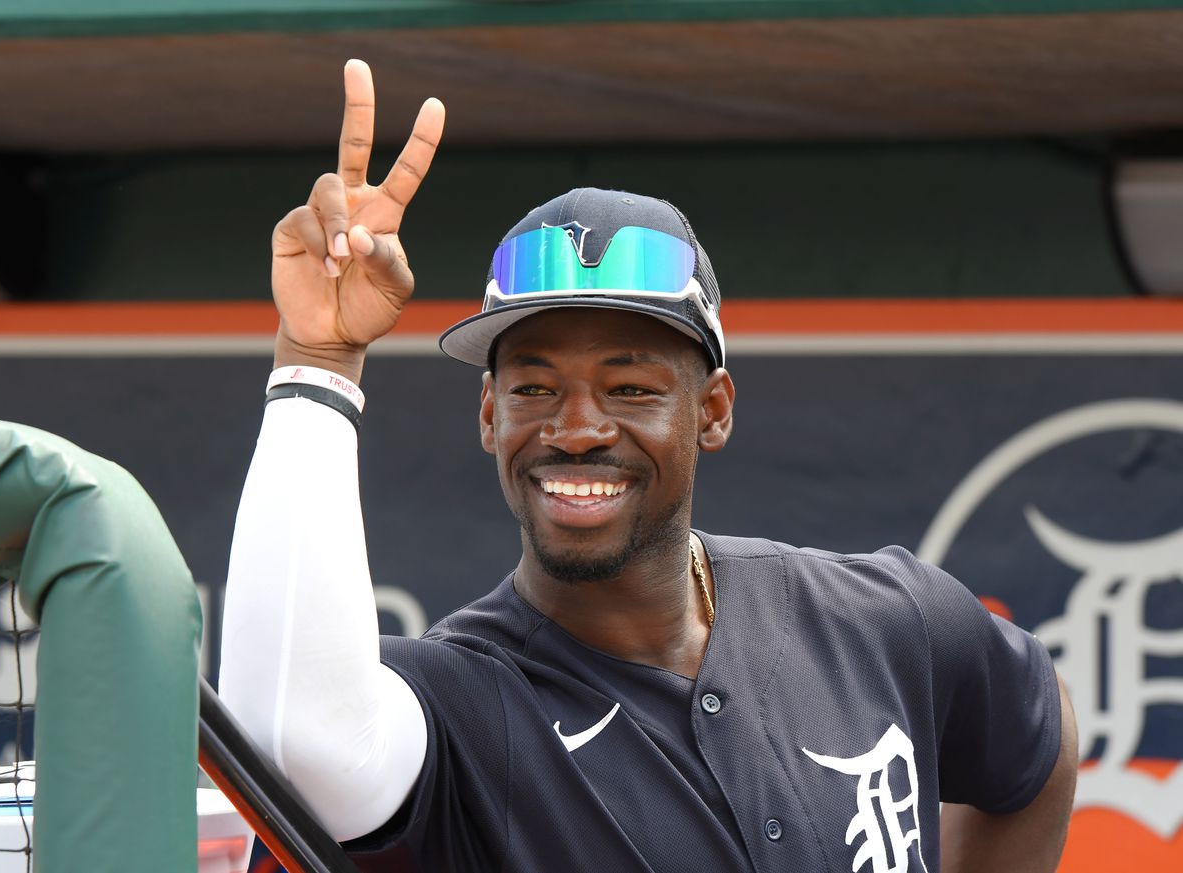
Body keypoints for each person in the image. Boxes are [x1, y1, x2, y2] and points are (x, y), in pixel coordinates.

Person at [219, 60, 1078, 873]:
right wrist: (319, 356)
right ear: (490, 415)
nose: (578, 427)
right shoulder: (462, 705)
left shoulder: (882, 622)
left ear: (712, 411)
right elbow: (298, 737)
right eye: (535, 386)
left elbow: (1040, 735)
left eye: (629, 386)